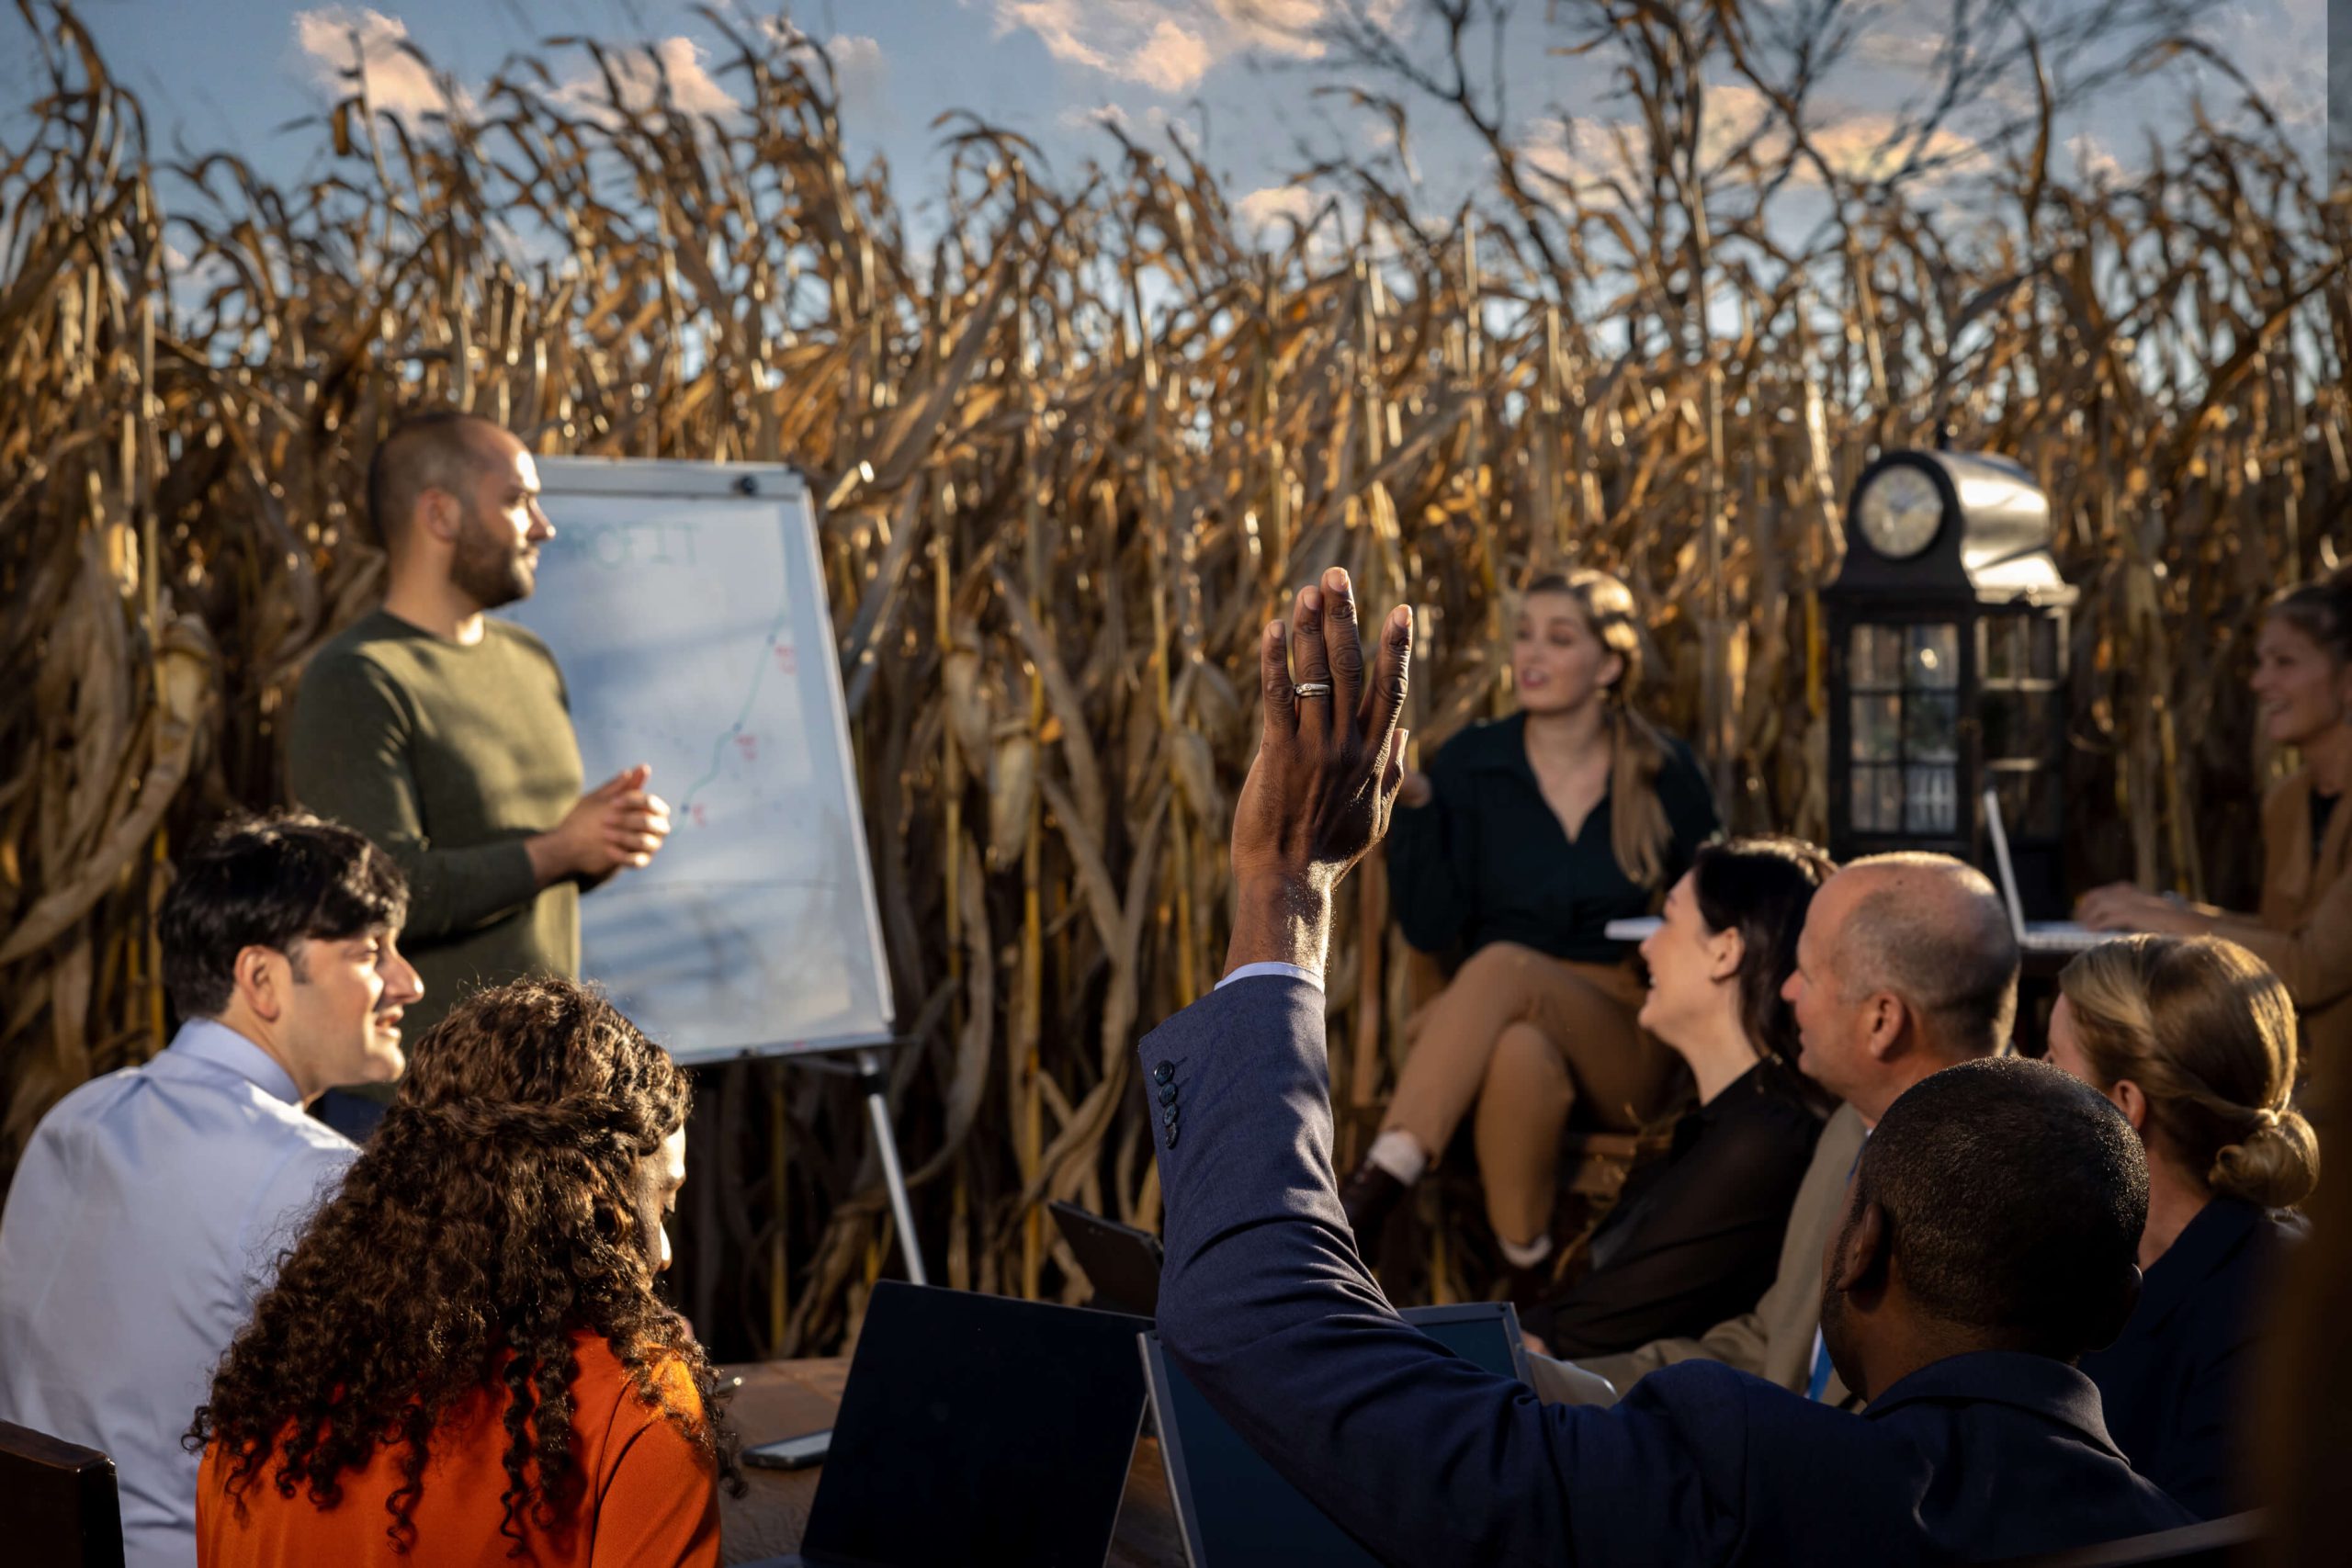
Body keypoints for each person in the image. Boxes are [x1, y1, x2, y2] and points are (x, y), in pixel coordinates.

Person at [1142, 567, 2188, 1562]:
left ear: (1857, 1246)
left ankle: (1377, 1190)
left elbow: (1267, 1334)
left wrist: (1282, 883)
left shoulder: (1740, 1482)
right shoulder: (2184, 1524)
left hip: (1576, 1048)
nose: (1780, 993)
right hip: (1539, 1054)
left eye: (1804, 975)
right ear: (2120, 1297)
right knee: (1513, 1044)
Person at [189, 974, 733, 1565]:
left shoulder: (266, 1400)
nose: (664, 1251)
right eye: (658, 1203)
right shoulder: (637, 1409)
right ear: (586, 1208)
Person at [0, 813, 418, 1568]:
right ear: (261, 978)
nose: (407, 981)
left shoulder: (75, 1115)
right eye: (370, 951)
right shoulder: (314, 1175)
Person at [288, 412, 672, 1128]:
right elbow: (385, 897)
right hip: (419, 1118)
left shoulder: (529, 662)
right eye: (518, 500)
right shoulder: (358, 679)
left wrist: (600, 844)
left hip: (544, 1101)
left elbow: (521, 864)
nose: (542, 525)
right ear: (440, 512)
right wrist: (560, 846)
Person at [1340, 569, 1721, 1285]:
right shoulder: (1472, 764)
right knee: (1518, 1048)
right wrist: (1418, 807)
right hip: (1489, 1025)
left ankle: (1376, 1182)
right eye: (1523, 636)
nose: (1532, 655)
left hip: (1630, 1029)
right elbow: (1429, 929)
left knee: (1506, 966)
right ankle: (1535, 1273)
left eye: (1560, 637)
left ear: (1609, 663)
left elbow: (1725, 907)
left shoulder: (1663, 770)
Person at [1543, 847, 2018, 1409]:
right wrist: (1547, 1385)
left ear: (1882, 1021)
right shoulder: (1852, 1129)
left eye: (1807, 974)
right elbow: (1772, 1346)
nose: (1786, 990)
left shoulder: (1986, 1202)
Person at [1521, 836, 1833, 1358]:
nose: (1645, 946)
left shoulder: (1762, 1141)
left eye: (1666, 921)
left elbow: (1583, 1336)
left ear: (1725, 951)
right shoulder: (1715, 1126)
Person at [2044, 934, 2320, 1517]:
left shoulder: (2269, 1305)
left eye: (2052, 1061)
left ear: (2123, 1106)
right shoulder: (2071, 1255)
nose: (2033, 1080)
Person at [2078, 567, 2352, 1122]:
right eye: (2260, 663)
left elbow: (2314, 966)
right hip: (2298, 1093)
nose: (2258, 683)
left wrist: (2167, 921)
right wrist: (2162, 912)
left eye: (2285, 662)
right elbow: (2281, 937)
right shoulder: (2288, 802)